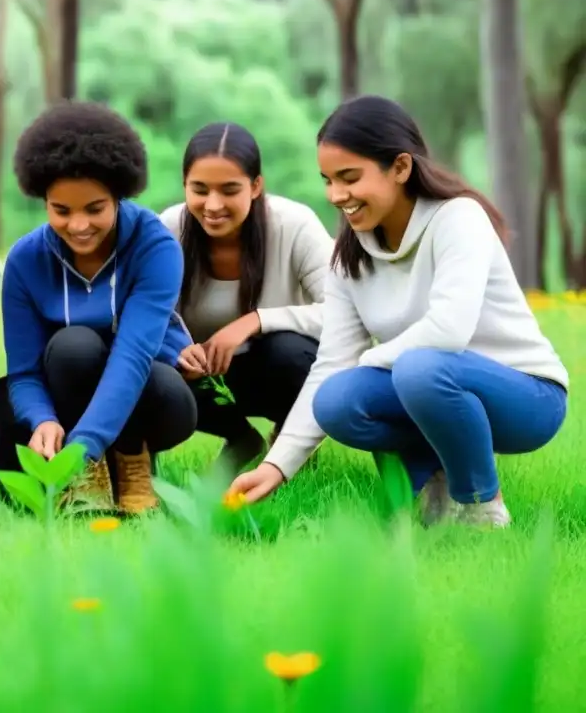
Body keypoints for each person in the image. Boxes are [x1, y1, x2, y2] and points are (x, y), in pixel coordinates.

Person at [227, 95, 569, 528]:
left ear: (401, 168)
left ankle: (483, 507)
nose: (336, 195)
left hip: (527, 397)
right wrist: (275, 467)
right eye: (328, 180)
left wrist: (369, 362)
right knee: (338, 399)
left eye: (349, 178)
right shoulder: (349, 259)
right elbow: (331, 364)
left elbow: (448, 331)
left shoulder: (457, 219)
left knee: (417, 368)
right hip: (430, 388)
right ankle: (437, 479)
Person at [0, 100, 197, 514]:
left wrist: (83, 447)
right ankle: (88, 477)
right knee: (72, 347)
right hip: (63, 389)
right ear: (43, 201)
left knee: (166, 393)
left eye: (94, 209)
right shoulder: (25, 260)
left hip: (144, 390)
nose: (79, 226)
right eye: (61, 211)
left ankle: (128, 460)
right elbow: (24, 372)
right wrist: (42, 419)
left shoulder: (155, 247)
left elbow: (133, 356)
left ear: (118, 196)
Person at [159, 122, 334, 472]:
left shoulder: (294, 224)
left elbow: (346, 314)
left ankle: (291, 444)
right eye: (200, 189)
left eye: (229, 190)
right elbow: (143, 315)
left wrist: (256, 321)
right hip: (201, 378)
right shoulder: (169, 230)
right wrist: (176, 349)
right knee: (150, 370)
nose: (213, 204)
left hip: (274, 368)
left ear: (255, 186)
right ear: (184, 186)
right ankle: (241, 439)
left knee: (289, 351)